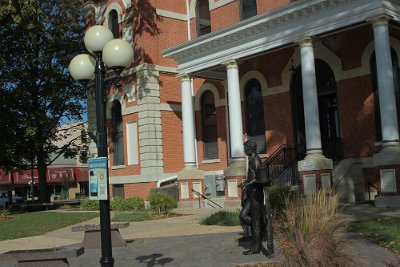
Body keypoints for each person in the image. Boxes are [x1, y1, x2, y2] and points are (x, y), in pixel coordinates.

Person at [240, 140, 274, 256]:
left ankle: (255, 248)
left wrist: (247, 184)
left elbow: (259, 178)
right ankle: (261, 227)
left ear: (251, 148)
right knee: (243, 215)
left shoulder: (255, 160)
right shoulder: (251, 159)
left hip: (255, 194)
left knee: (255, 222)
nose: (244, 150)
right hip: (251, 193)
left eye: (246, 148)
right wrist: (246, 182)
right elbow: (252, 177)